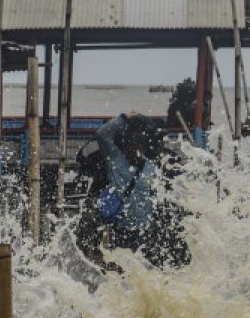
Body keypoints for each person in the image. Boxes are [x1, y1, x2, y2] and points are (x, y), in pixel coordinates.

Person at [79, 112, 189, 268]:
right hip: (131, 232)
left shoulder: (138, 162)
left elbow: (103, 135)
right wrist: (125, 118)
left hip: (139, 232)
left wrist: (125, 119)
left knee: (134, 272)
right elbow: (102, 135)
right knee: (134, 273)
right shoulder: (123, 162)